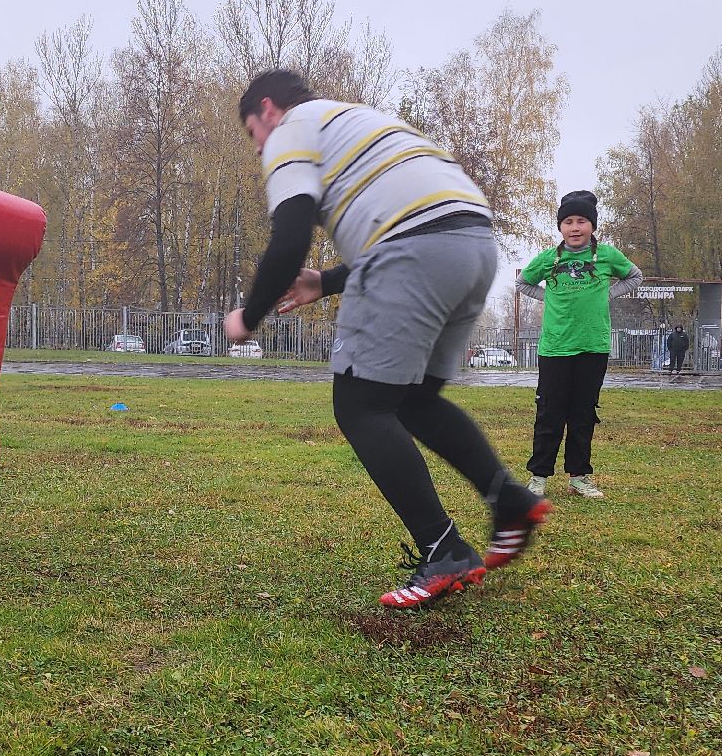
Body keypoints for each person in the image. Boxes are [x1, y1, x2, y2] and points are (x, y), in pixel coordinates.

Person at [225, 70, 549, 610]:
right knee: (416, 401)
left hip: (413, 250)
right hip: (472, 245)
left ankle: (444, 550)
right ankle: (510, 500)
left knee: (361, 406)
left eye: (252, 131)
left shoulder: (290, 129)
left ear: (267, 110)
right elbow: (409, 214)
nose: (258, 145)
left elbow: (290, 236)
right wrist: (325, 282)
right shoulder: (359, 120)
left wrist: (250, 317)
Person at [520, 192, 643, 499]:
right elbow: (523, 282)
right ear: (561, 227)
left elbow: (635, 276)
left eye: (582, 221)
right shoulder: (549, 259)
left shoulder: (607, 256)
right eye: (568, 222)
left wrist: (607, 295)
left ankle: (579, 476)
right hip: (555, 348)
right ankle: (538, 478)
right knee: (549, 413)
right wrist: (549, 297)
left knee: (583, 413)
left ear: (592, 225)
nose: (575, 228)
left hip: (593, 347)